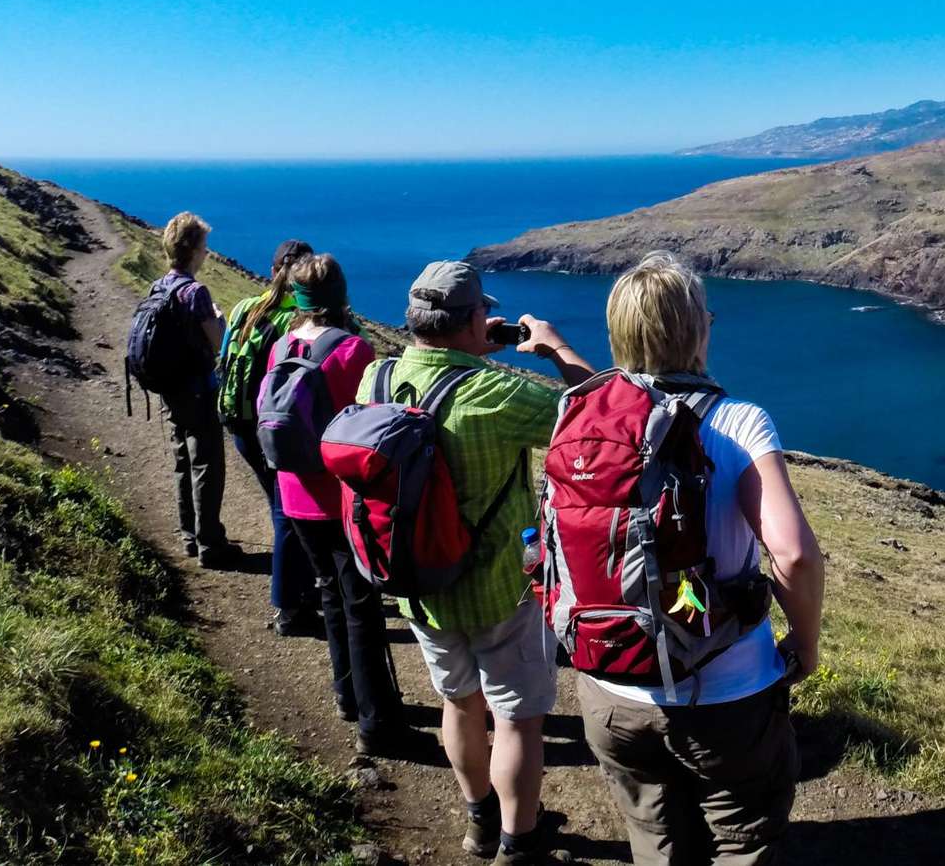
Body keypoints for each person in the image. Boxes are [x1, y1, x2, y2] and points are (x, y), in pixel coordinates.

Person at [574, 250, 825, 866]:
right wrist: (807, 643)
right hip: (725, 690)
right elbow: (792, 554)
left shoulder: (577, 414)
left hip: (609, 682)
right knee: (743, 842)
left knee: (656, 840)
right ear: (696, 329)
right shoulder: (739, 423)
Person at [359, 261, 596, 864]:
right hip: (502, 588)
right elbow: (598, 414)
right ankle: (520, 841)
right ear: (471, 319)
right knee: (517, 718)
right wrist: (554, 348)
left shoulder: (375, 379)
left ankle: (480, 822)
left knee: (459, 702)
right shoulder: (497, 394)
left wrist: (469, 350)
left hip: (419, 585)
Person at [266, 254, 418, 754]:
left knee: (332, 594)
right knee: (361, 607)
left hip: (293, 491)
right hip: (341, 497)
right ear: (340, 293)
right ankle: (378, 725)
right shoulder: (353, 350)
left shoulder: (282, 345)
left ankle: (348, 695)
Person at [219, 238, 321, 635]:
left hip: (241, 424)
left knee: (281, 508)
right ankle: (289, 606)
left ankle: (299, 590)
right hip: (278, 431)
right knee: (288, 513)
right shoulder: (299, 321)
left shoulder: (246, 308)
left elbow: (223, 359)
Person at [153, 212, 237, 568]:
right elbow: (219, 343)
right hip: (199, 390)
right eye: (204, 246)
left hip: (169, 388)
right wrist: (220, 319)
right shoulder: (195, 291)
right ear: (192, 249)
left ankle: (190, 535)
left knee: (182, 463)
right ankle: (210, 544)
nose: (207, 253)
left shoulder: (159, 286)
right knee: (206, 465)